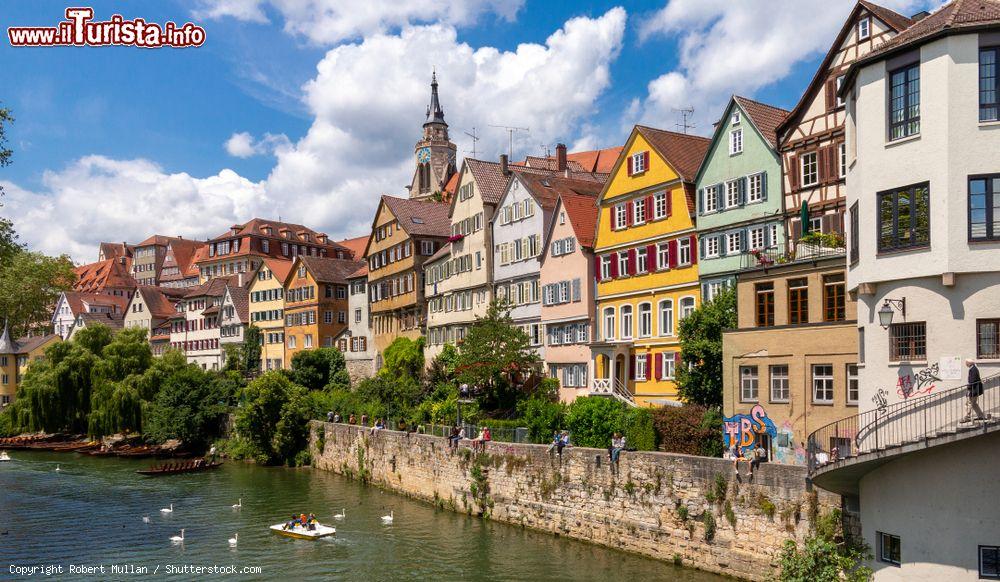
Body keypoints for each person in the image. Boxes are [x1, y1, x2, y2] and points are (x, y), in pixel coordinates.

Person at [963, 358, 988, 422]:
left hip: (973, 390)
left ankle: (967, 417)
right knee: (973, 404)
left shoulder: (973, 369)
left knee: (968, 403)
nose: (965, 364)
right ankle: (981, 416)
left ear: (969, 363)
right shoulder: (974, 368)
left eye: (966, 363)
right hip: (974, 389)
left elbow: (973, 380)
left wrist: (969, 388)